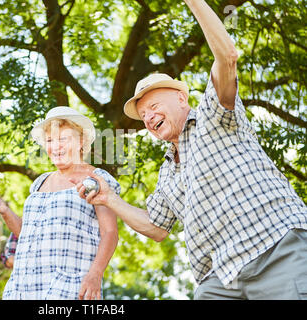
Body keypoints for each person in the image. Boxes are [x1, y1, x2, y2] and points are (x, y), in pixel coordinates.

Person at [73, 0, 307, 300]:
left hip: (276, 248)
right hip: (220, 278)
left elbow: (227, 56)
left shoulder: (214, 116)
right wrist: (109, 198)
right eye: (143, 114)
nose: (148, 117)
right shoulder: (168, 170)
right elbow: (156, 228)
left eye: (154, 106)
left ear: (181, 100)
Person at [0, 106, 120, 300]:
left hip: (69, 286)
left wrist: (95, 274)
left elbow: (110, 233)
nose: (55, 146)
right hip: (22, 286)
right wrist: (4, 210)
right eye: (50, 140)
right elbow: (26, 234)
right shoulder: (40, 182)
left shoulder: (96, 178)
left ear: (81, 141)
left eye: (63, 139)